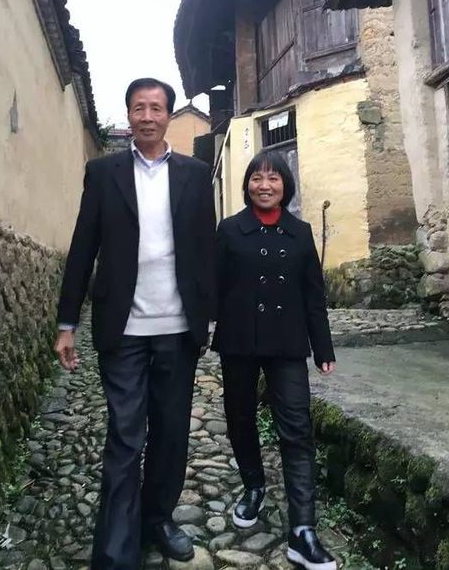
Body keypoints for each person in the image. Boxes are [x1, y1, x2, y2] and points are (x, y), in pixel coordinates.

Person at [54, 78, 216, 570]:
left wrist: (212, 317)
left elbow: (205, 250)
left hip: (177, 328)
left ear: (168, 115)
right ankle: (115, 550)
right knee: (126, 435)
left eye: (156, 108)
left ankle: (158, 519)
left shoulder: (195, 175)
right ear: (128, 115)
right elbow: (84, 247)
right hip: (122, 329)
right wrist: (67, 322)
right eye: (139, 108)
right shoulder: (103, 173)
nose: (147, 116)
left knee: (171, 433)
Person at [213, 150, 337, 570]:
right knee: (240, 418)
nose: (264, 185)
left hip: (287, 343)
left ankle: (303, 530)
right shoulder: (229, 231)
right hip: (239, 342)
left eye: (273, 178)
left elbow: (313, 295)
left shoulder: (300, 233)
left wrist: (323, 347)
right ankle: (254, 486)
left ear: (286, 186)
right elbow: (213, 287)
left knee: (297, 428)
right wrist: (196, 332)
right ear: (247, 184)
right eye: (257, 178)